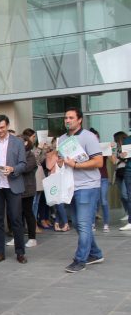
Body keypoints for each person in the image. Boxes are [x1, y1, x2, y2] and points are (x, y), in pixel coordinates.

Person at [58, 108, 105, 272]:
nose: (67, 120)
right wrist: (61, 162)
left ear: (80, 120)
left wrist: (76, 165)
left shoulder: (89, 137)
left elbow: (99, 162)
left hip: (88, 186)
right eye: (66, 117)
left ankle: (80, 260)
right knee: (78, 224)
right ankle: (96, 253)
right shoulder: (63, 139)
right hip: (71, 186)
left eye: (71, 117)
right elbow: (62, 161)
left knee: (84, 225)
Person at [0, 114, 27, 264]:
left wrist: (13, 169)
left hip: (13, 183)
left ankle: (20, 252)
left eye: (2, 127)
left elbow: (23, 164)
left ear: (7, 126)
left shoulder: (18, 142)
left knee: (16, 219)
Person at [7, 138, 38, 248]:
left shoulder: (30, 155)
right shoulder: (15, 154)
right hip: (15, 188)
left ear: (25, 143)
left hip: (27, 189)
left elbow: (25, 168)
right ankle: (17, 237)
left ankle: (32, 238)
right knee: (16, 215)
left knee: (28, 213)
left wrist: (13, 168)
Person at [89, 128, 110, 233]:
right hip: (92, 178)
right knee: (94, 201)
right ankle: (92, 223)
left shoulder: (103, 148)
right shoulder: (87, 148)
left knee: (104, 200)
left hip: (103, 177)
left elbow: (114, 161)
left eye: (96, 137)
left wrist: (111, 150)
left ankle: (106, 223)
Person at [112, 131, 130, 229]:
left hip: (126, 172)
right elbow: (114, 161)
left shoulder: (127, 146)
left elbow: (127, 158)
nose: (116, 142)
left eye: (117, 140)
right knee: (123, 196)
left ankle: (129, 214)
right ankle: (128, 212)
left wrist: (122, 158)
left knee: (125, 194)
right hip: (119, 173)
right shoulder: (117, 148)